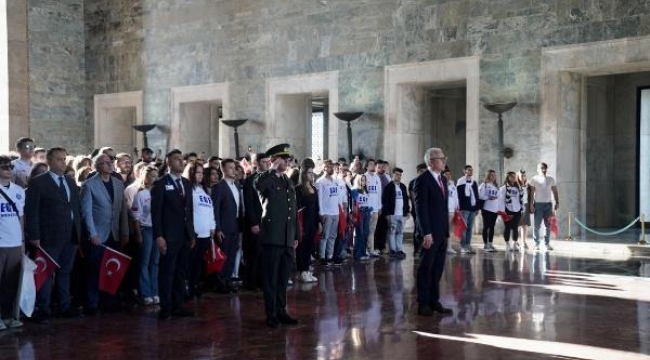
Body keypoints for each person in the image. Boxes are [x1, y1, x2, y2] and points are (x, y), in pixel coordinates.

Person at [25, 147, 83, 322]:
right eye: (59, 159)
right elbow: (32, 211)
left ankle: (64, 306)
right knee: (47, 273)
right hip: (49, 236)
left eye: (64, 159)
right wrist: (34, 235)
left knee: (65, 272)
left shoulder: (70, 182)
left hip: (70, 235)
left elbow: (75, 208)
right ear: (49, 161)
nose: (63, 162)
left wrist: (78, 230)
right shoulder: (38, 182)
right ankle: (44, 308)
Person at [254, 143, 300, 328]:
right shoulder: (264, 178)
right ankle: (270, 314)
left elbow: (293, 210)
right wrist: (271, 169)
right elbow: (259, 186)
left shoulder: (287, 181)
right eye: (284, 159)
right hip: (272, 238)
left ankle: (281, 311)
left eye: (288, 159)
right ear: (274, 160)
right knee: (271, 279)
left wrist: (295, 234)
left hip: (287, 238)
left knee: (282, 279)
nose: (287, 162)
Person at [80, 154, 130, 314]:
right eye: (106, 163)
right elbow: (86, 212)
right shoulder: (89, 185)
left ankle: (109, 301)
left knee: (111, 269)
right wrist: (92, 233)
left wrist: (125, 232)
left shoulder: (118, 183)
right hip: (98, 235)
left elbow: (122, 210)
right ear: (98, 166)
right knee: (94, 270)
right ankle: (92, 303)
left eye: (111, 162)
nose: (110, 165)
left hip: (114, 233)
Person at [151, 149, 195, 320]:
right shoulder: (161, 183)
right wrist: (159, 236)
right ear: (169, 163)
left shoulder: (186, 183)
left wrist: (191, 234)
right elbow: (156, 213)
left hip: (184, 235)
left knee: (180, 272)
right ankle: (166, 308)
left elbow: (189, 211)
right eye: (176, 159)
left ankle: (178, 305)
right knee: (167, 272)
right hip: (168, 236)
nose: (181, 162)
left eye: (182, 159)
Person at [414, 147, 452, 317]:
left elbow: (442, 208)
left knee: (437, 269)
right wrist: (426, 233)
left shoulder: (443, 180)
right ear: (431, 161)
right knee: (425, 269)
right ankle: (423, 304)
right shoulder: (422, 180)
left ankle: (434, 301)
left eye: (444, 157)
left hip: (441, 232)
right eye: (441, 158)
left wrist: (445, 231)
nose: (444, 161)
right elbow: (420, 209)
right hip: (429, 233)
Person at [0, 156, 25, 329]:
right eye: (4, 167)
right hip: (0, 243)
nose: (8, 169)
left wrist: (22, 239)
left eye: (10, 166)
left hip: (15, 242)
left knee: (11, 282)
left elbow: (21, 216)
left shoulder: (19, 190)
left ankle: (7, 315)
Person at [184, 161, 215, 299]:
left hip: (205, 233)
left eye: (202, 173)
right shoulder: (188, 189)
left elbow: (210, 210)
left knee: (198, 263)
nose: (201, 175)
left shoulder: (205, 190)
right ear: (191, 173)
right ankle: (187, 289)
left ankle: (195, 286)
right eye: (198, 172)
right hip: (193, 234)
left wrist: (212, 227)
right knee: (189, 263)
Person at [211, 158, 242, 293]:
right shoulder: (219, 187)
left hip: (235, 226)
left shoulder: (236, 186)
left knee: (232, 254)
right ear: (223, 169)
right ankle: (220, 283)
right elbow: (215, 209)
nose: (233, 170)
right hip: (224, 227)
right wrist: (218, 228)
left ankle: (228, 281)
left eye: (234, 167)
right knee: (223, 255)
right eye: (230, 167)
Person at [130, 165, 159, 305]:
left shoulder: (158, 193)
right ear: (146, 178)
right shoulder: (141, 194)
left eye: (156, 175)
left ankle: (155, 291)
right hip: (146, 229)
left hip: (157, 230)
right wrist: (138, 233)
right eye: (152, 176)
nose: (155, 178)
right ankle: (146, 293)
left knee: (155, 262)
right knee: (145, 262)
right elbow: (136, 215)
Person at [242, 154, 269, 291]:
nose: (267, 164)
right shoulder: (250, 180)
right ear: (257, 163)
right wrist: (253, 223)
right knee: (254, 253)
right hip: (256, 222)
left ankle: (262, 281)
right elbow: (249, 203)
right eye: (264, 162)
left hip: (267, 223)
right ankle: (251, 283)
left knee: (265, 254)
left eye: (268, 162)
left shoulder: (270, 179)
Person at [295, 165, 319, 283]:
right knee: (302, 248)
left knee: (309, 246)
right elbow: (297, 209)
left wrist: (318, 222)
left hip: (313, 221)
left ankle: (307, 270)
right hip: (303, 221)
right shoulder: (298, 189)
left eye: (312, 172)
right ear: (304, 174)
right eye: (309, 172)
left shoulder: (314, 188)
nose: (311, 174)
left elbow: (317, 207)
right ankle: (301, 271)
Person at [529, 162, 559, 251]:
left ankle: (547, 243)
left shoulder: (551, 179)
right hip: (538, 204)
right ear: (538, 169)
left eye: (545, 168)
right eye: (541, 168)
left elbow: (555, 191)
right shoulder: (534, 179)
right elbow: (531, 193)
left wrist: (557, 202)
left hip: (548, 205)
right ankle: (536, 243)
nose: (543, 170)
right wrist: (531, 204)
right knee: (537, 225)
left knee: (548, 225)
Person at [381, 167, 410, 259]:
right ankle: (392, 249)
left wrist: (407, 211)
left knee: (400, 233)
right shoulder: (388, 187)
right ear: (393, 174)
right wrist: (386, 214)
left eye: (400, 175)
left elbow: (406, 200)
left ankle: (399, 249)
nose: (399, 176)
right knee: (392, 232)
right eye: (397, 174)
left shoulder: (403, 186)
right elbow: (385, 201)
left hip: (402, 214)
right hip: (392, 214)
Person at [315, 160, 339, 266]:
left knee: (333, 236)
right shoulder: (320, 182)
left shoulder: (334, 181)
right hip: (326, 212)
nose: (331, 168)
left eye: (332, 166)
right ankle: (322, 257)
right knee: (324, 235)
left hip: (335, 212)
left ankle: (330, 256)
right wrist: (321, 213)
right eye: (329, 167)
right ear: (324, 168)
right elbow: (319, 199)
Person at [456, 165, 479, 254]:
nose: (470, 171)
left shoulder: (474, 182)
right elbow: (458, 196)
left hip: (472, 208)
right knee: (463, 228)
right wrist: (459, 208)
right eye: (469, 170)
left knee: (470, 227)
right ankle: (463, 246)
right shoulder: (460, 181)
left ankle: (468, 245)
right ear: (464, 171)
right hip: (464, 208)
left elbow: (476, 195)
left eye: (471, 170)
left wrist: (477, 207)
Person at [499, 171, 523, 251]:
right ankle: (507, 244)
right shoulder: (503, 188)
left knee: (515, 228)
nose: (513, 178)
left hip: (517, 210)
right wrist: (503, 212)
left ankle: (515, 244)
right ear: (508, 177)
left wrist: (522, 209)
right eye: (511, 176)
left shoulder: (518, 188)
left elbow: (520, 199)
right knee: (508, 227)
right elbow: (501, 200)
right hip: (507, 210)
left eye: (514, 176)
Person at [408, 163, 427, 256]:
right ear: (417, 172)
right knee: (418, 230)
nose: (423, 173)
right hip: (417, 210)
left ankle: (424, 249)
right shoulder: (413, 182)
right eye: (421, 171)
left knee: (426, 230)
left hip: (427, 210)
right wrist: (417, 209)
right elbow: (413, 197)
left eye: (425, 171)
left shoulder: (428, 182)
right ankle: (417, 249)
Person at [351, 174, 371, 260]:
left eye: (364, 180)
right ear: (358, 181)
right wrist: (354, 215)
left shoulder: (366, 191)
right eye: (362, 180)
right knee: (360, 233)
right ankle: (358, 254)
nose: (363, 182)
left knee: (366, 233)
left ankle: (363, 252)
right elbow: (354, 204)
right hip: (359, 212)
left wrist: (370, 210)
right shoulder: (355, 191)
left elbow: (368, 202)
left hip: (367, 212)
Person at [479, 170, 499, 252]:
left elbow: (499, 197)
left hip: (495, 209)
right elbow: (481, 196)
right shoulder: (484, 185)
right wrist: (489, 197)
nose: (493, 176)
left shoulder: (496, 186)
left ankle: (490, 243)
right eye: (491, 175)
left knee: (492, 227)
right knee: (486, 226)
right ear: (488, 176)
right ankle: (485, 244)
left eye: (494, 175)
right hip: (487, 208)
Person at [443, 167, 459, 254]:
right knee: (443, 230)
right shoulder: (441, 184)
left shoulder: (453, 185)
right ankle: (442, 247)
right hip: (444, 211)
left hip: (452, 211)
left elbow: (456, 198)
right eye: (446, 174)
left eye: (449, 174)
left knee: (450, 230)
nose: (448, 176)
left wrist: (457, 208)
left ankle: (449, 247)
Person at [517, 170, 531, 250]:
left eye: (524, 175)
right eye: (521, 175)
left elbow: (531, 196)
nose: (523, 177)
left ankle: (524, 242)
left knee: (524, 225)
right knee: (515, 225)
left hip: (525, 205)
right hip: (516, 206)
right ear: (518, 176)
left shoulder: (528, 186)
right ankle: (515, 241)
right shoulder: (515, 185)